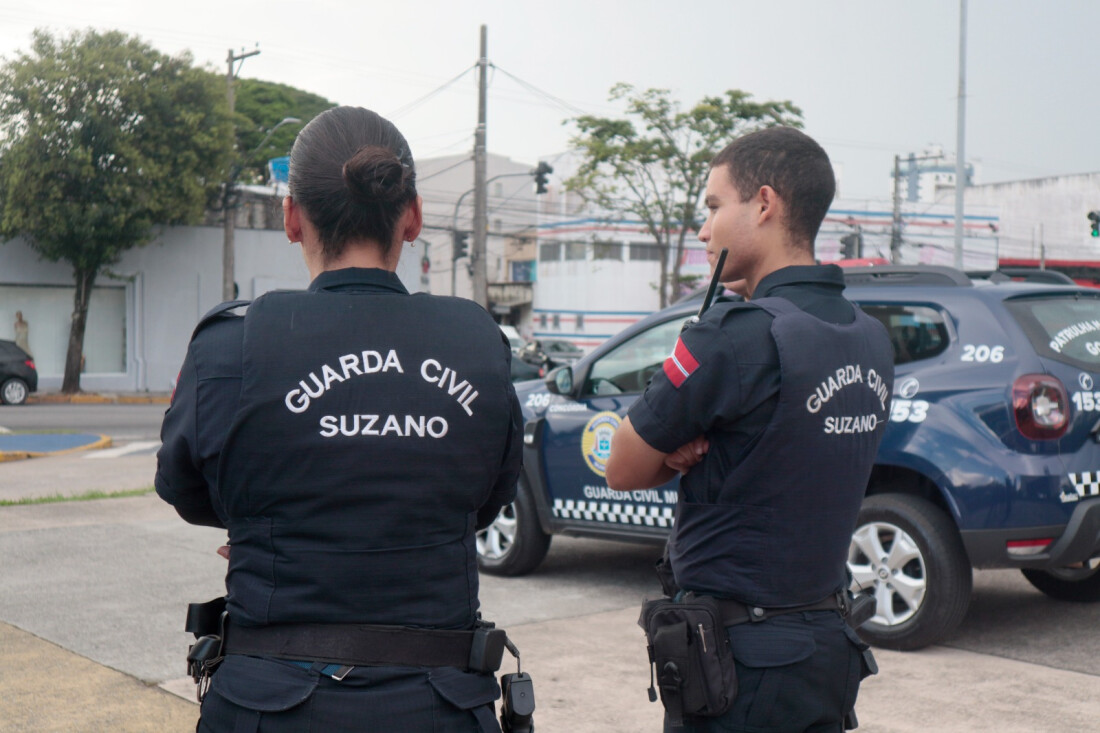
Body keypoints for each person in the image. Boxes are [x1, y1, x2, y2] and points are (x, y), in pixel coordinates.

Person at [156, 106, 523, 732]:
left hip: (267, 707)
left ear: (292, 217)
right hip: (439, 707)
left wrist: (272, 522)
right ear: (412, 216)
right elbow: (487, 499)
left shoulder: (230, 344)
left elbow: (184, 488)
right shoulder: (477, 341)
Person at [606, 126, 894, 732]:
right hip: (827, 649)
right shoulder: (870, 336)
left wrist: (672, 453)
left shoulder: (735, 335)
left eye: (713, 207)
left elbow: (623, 466)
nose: (704, 230)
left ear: (764, 204)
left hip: (741, 668)